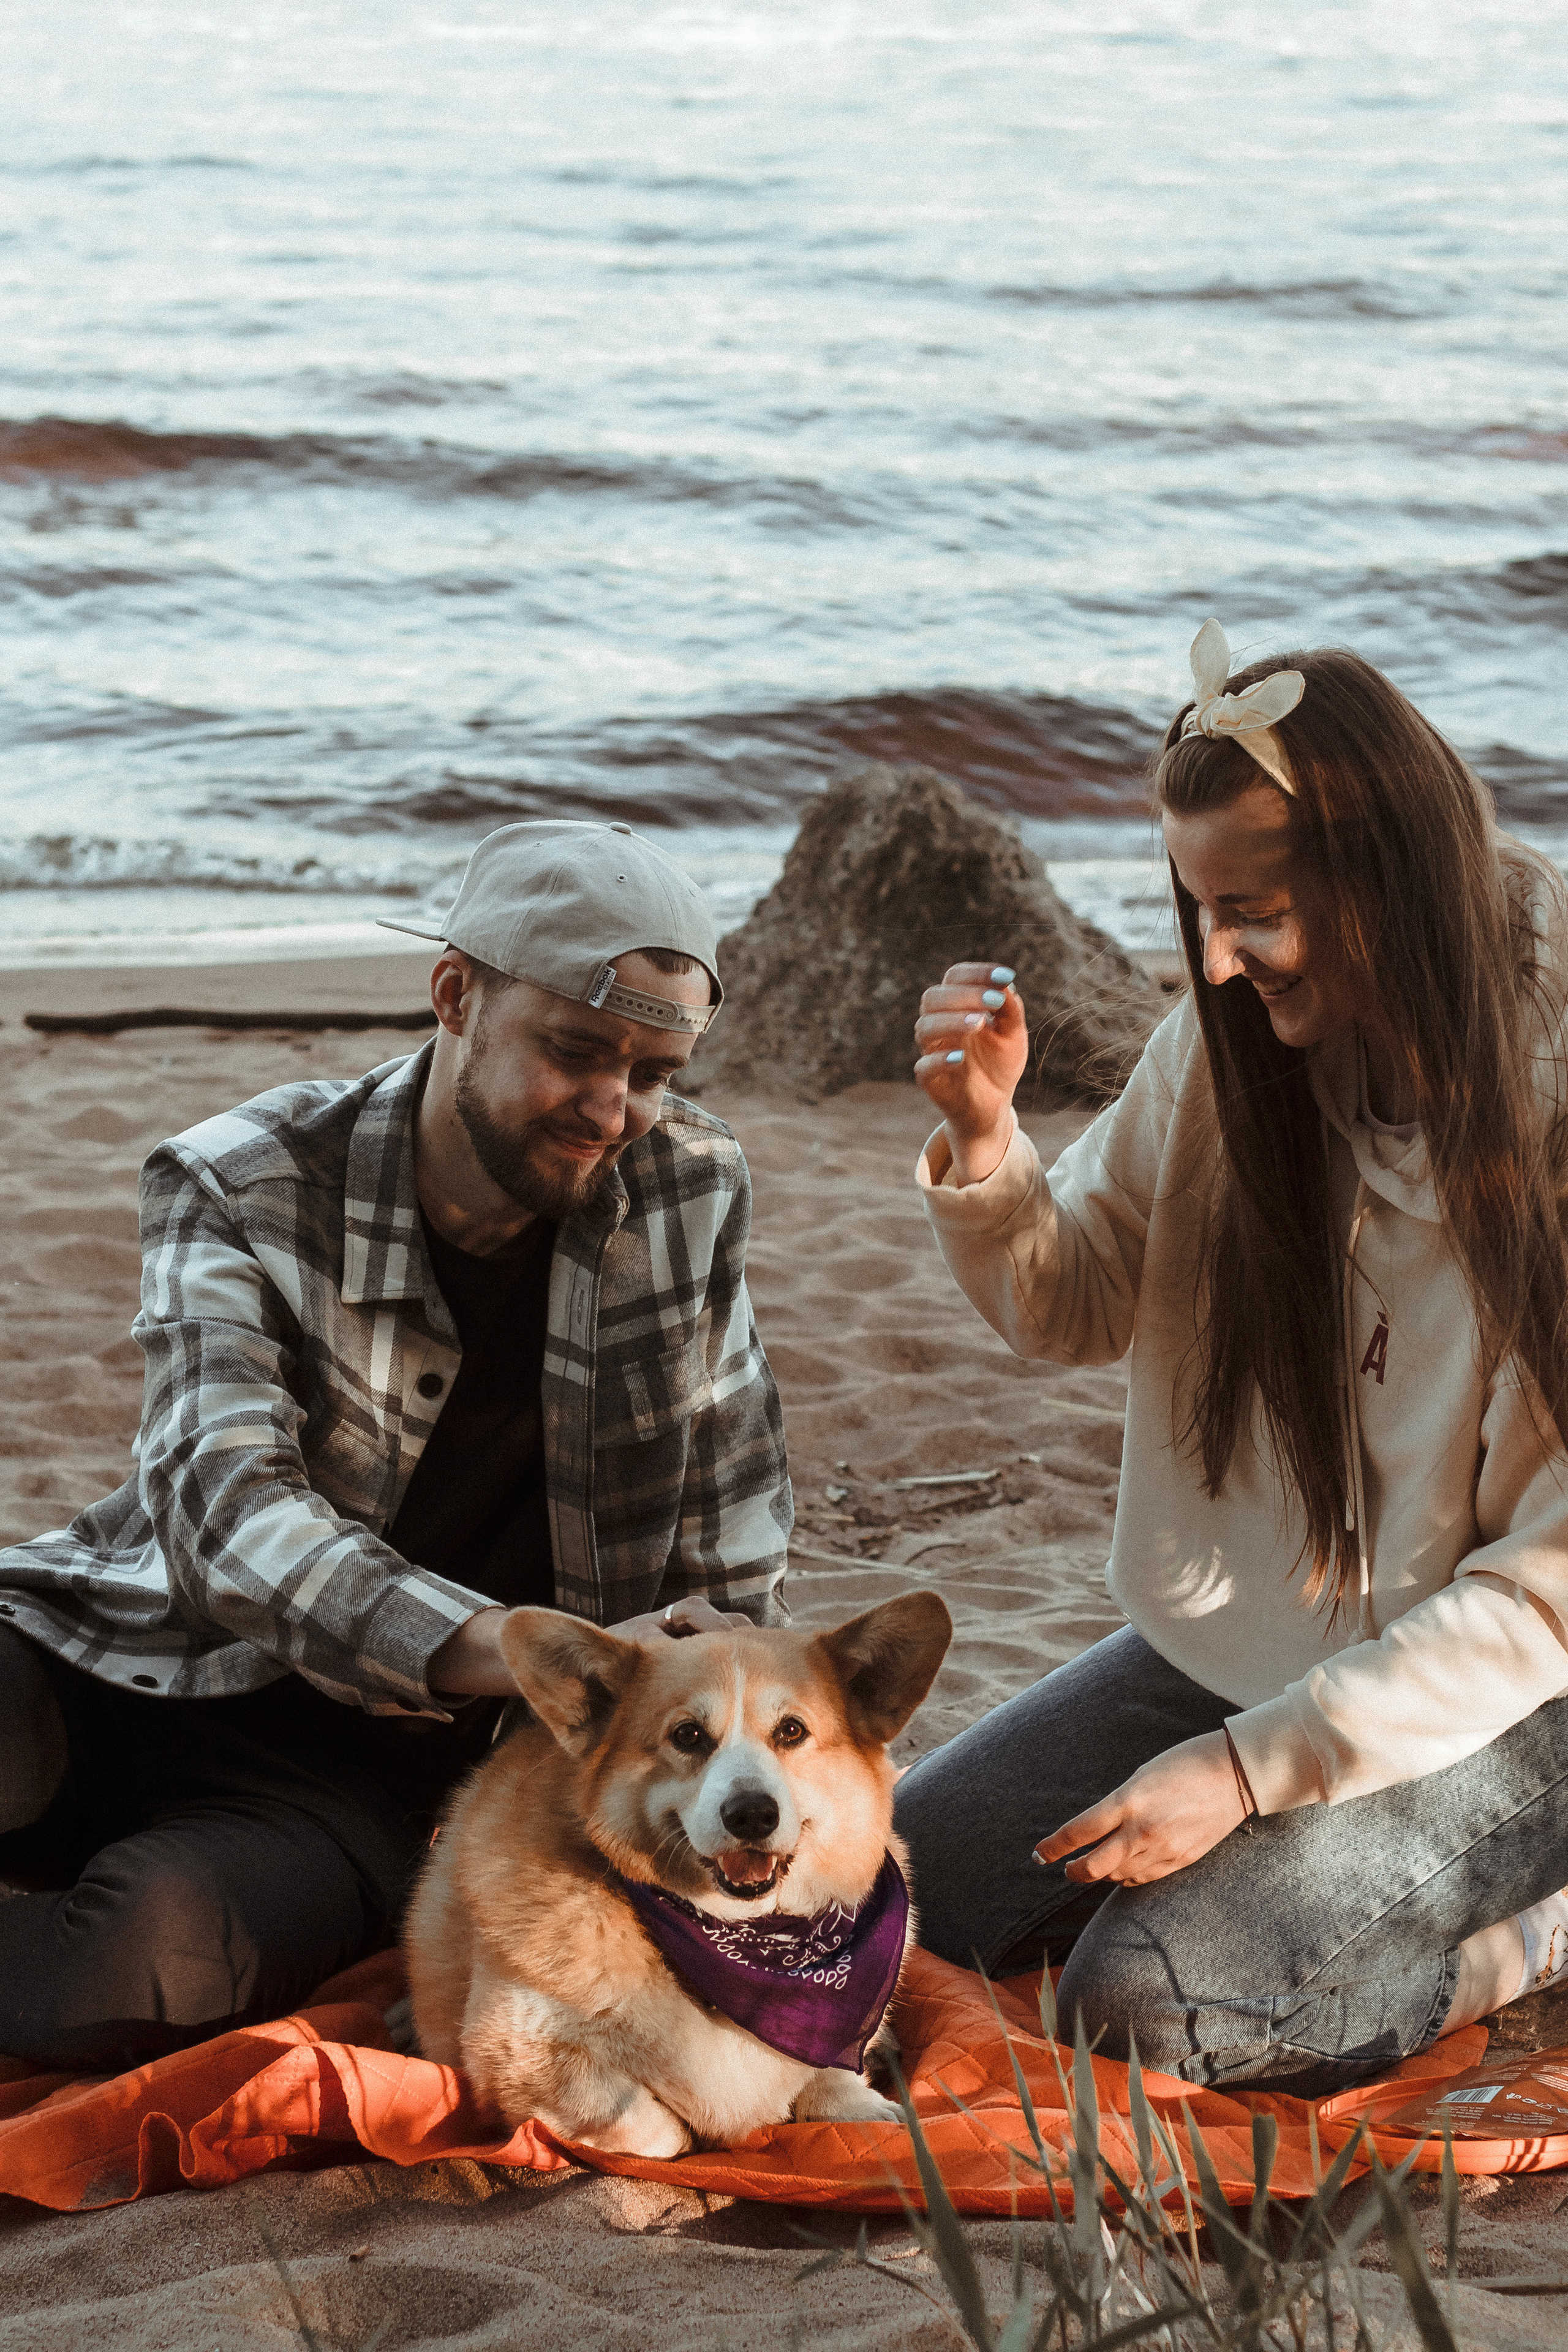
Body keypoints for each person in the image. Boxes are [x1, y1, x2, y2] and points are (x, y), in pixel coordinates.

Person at [894, 620, 1568, 2093]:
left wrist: (1253, 1769)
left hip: (1524, 1692)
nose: (1209, 956)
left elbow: (1542, 1594)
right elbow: (1069, 1302)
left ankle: (1532, 1934)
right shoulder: (1229, 1045)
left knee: (1151, 2007)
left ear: (1378, 874)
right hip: (1283, 1638)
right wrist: (990, 1144)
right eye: (1196, 905)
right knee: (890, 1899)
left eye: (1249, 908)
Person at [0, 820, 791, 2073]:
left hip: (345, 1792)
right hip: (119, 1655)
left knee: (133, 1966)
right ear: (454, 996)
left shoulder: (687, 1187)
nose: (613, 1109)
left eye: (651, 1071)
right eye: (577, 1052)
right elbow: (222, 1516)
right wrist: (511, 1650)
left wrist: (711, 1678)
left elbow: (733, 1532)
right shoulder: (241, 1178)